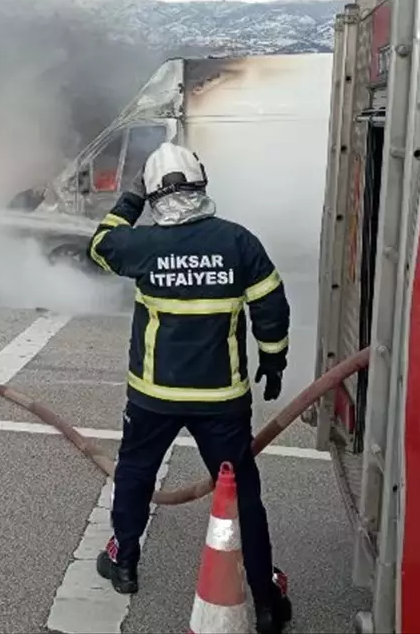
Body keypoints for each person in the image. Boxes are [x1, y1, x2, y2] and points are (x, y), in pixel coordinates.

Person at [87, 141, 293, 634]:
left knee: (136, 472)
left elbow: (99, 245)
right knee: (242, 493)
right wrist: (274, 358)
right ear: (202, 184)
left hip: (153, 395)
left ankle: (124, 562)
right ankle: (264, 597)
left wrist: (130, 200)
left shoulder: (141, 246)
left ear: (155, 193)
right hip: (221, 399)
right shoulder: (238, 241)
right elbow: (270, 304)